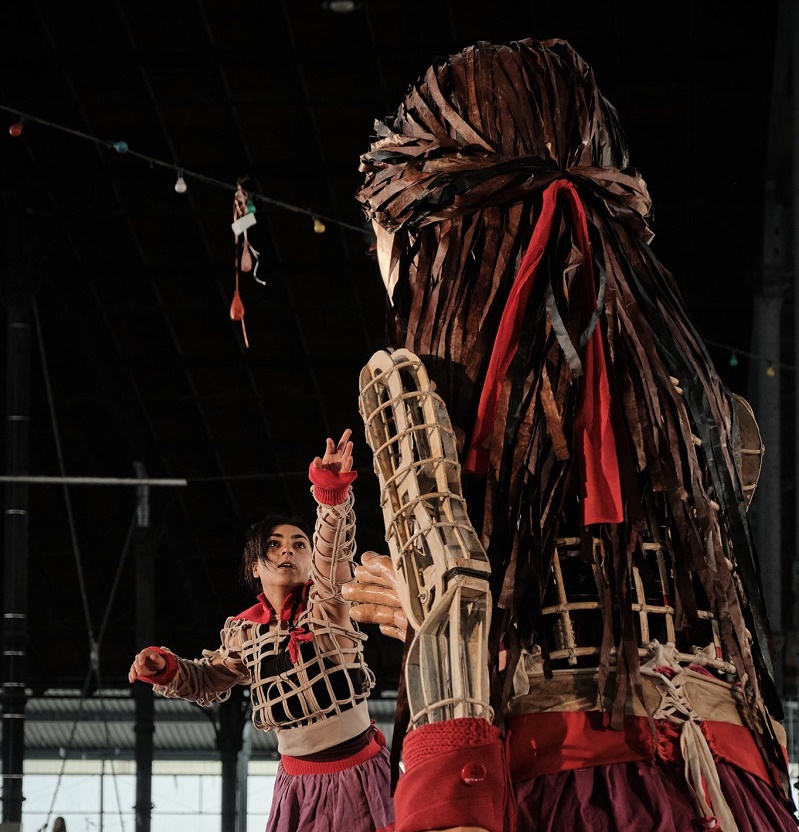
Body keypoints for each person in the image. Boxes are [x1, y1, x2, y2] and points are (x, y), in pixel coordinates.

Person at [353, 36, 798, 832]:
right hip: (732, 790)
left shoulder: (421, 399)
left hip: (558, 782)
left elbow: (456, 623)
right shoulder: (704, 416)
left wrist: (426, 620)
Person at [129, 429, 395, 832]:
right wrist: (164, 668)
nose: (288, 549)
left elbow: (333, 551)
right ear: (255, 566)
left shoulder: (328, 605)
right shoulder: (244, 633)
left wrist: (331, 497)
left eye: (299, 544)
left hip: (358, 772)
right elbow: (206, 678)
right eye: (274, 545)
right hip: (296, 784)